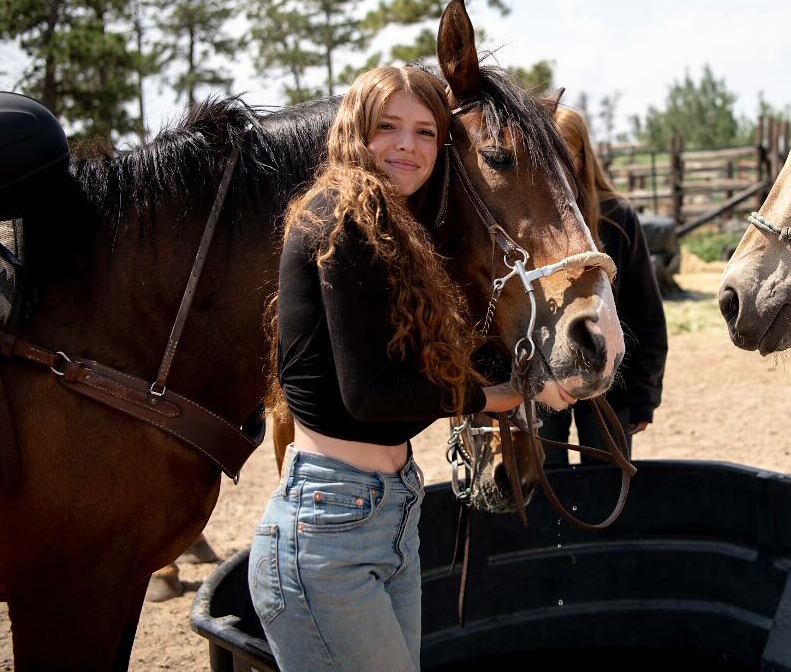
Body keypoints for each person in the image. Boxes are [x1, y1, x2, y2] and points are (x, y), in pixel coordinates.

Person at [248, 66, 523, 672]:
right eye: (388, 126)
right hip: (330, 526)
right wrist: (483, 399)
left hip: (386, 512)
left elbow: (409, 367)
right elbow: (368, 395)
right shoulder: (340, 219)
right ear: (354, 130)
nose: (408, 145)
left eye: (426, 132)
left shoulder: (392, 228)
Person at [538, 106, 668, 465]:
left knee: (608, 480)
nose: (558, 164)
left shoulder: (617, 217)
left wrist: (645, 394)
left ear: (583, 154)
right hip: (547, 377)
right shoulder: (531, 222)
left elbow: (646, 311)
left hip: (612, 380)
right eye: (548, 155)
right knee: (547, 480)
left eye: (567, 153)